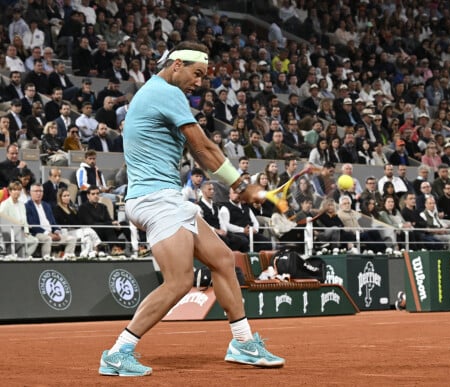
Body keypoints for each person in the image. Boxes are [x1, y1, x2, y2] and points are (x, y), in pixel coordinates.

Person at [98, 42, 284, 377]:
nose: (199, 82)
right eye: (196, 74)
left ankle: (242, 343)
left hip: (167, 198)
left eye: (203, 76)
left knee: (224, 259)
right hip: (156, 199)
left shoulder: (156, 93)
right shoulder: (166, 92)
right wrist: (242, 185)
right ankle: (118, 352)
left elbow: (199, 153)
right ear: (176, 64)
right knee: (179, 281)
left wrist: (235, 186)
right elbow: (203, 145)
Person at [25, 183, 77, 258]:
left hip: (52, 232)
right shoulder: (27, 206)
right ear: (30, 192)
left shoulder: (46, 205)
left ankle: (67, 258)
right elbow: (32, 224)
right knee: (47, 239)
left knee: (71, 239)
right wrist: (48, 233)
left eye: (41, 191)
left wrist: (57, 231)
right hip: (37, 233)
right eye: (36, 191)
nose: (38, 193)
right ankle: (46, 259)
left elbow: (53, 222)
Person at [53, 188, 102, 257]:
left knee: (87, 238)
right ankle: (96, 248)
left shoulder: (71, 208)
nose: (67, 197)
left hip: (75, 230)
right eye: (64, 196)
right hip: (65, 232)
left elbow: (77, 222)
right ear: (60, 197)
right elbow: (61, 223)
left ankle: (86, 254)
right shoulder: (57, 209)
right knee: (89, 230)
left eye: (68, 195)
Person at [78, 185, 125, 255]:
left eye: (97, 194)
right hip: (94, 232)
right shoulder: (83, 208)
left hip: (107, 230)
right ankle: (114, 248)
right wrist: (110, 224)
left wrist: (115, 223)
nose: (96, 196)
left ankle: (137, 247)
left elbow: (109, 220)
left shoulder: (103, 206)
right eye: (93, 194)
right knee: (108, 226)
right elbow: (91, 224)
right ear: (88, 196)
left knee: (124, 224)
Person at [0, 180, 39, 258]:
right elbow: (2, 221)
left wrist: (26, 231)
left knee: (35, 241)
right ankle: (20, 257)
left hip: (21, 233)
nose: (17, 192)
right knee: (22, 242)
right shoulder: (5, 204)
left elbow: (24, 221)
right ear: (10, 191)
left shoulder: (22, 204)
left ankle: (25, 257)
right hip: (9, 233)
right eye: (14, 190)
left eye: (19, 190)